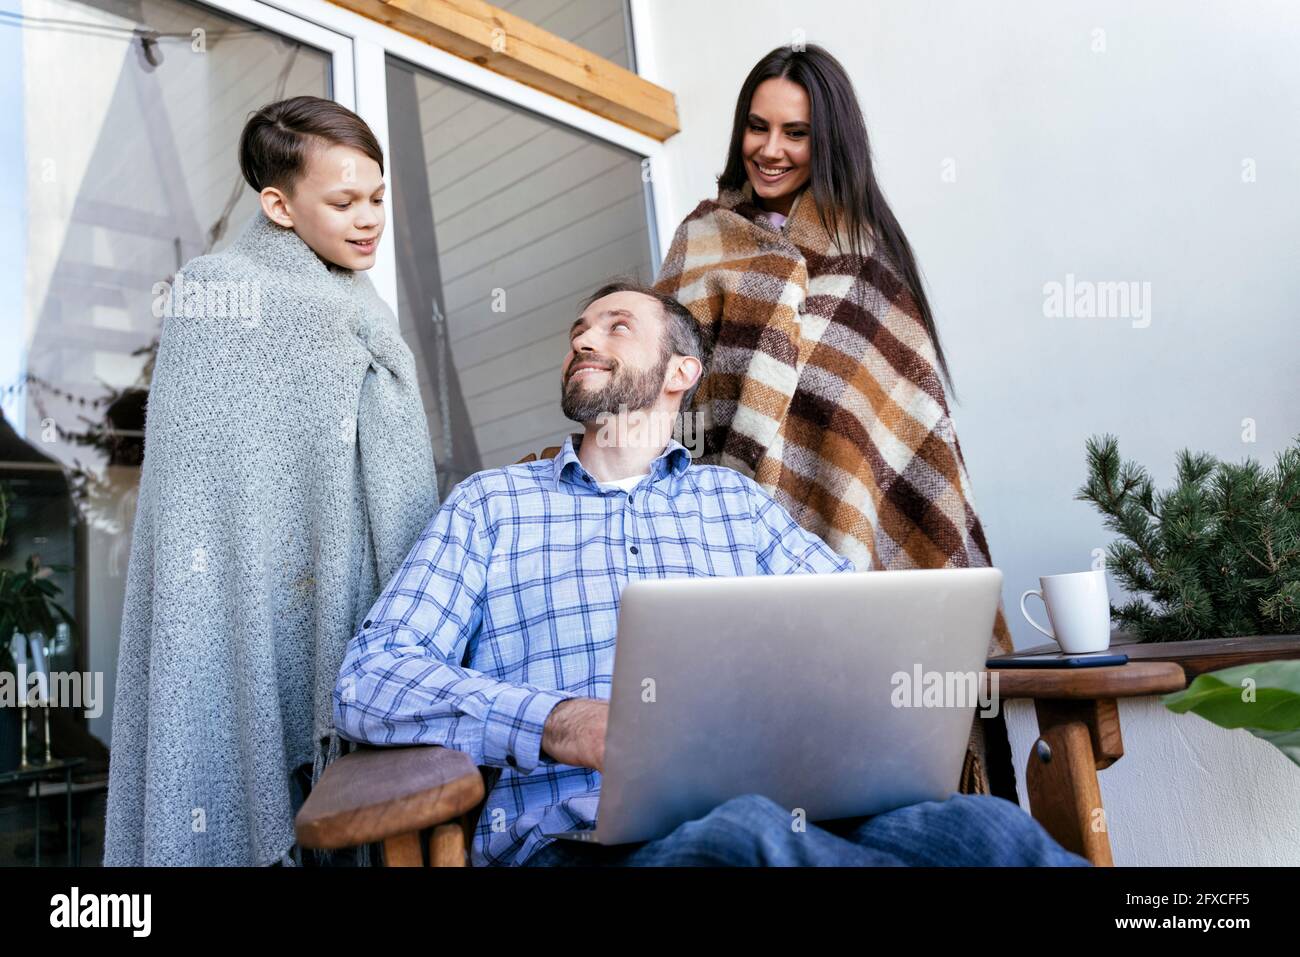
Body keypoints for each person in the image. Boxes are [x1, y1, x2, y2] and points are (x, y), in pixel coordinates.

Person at [333, 280, 1087, 868]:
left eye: (615, 327)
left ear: (681, 371)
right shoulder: (490, 506)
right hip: (580, 841)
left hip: (797, 812)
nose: (583, 340)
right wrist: (559, 721)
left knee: (988, 831)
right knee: (747, 838)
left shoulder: (735, 504)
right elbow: (370, 678)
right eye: (577, 333)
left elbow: (867, 631)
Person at [653, 44, 1015, 796]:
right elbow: (660, 394)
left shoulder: (868, 258)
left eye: (796, 133)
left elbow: (908, 431)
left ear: (831, 141)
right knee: (754, 773)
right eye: (757, 127)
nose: (771, 149)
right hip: (721, 547)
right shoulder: (701, 240)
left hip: (843, 544)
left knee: (860, 777)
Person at [104, 96, 437, 866]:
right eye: (344, 203)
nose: (369, 219)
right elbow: (200, 498)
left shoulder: (363, 302)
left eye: (378, 197)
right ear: (280, 206)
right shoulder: (217, 294)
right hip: (247, 605)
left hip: (352, 602)